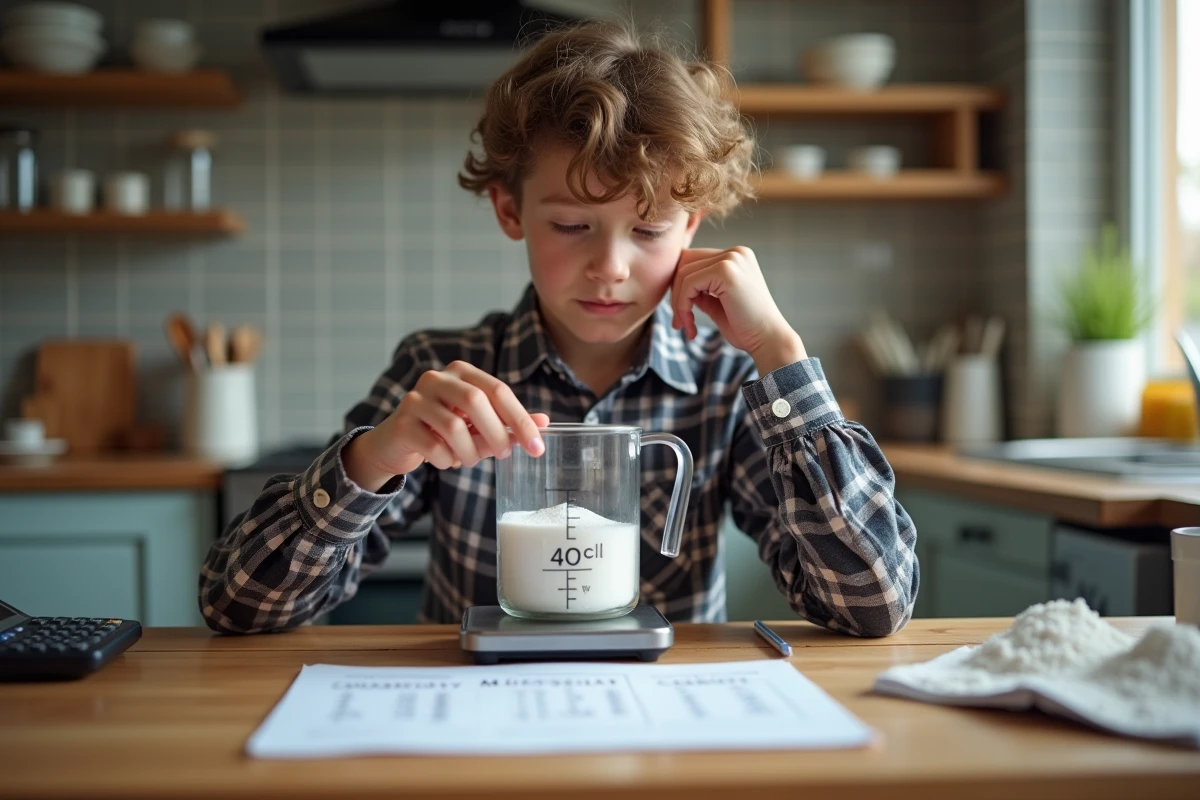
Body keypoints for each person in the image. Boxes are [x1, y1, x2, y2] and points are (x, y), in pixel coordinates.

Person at [199, 20, 918, 637]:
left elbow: (874, 604)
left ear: (693, 227)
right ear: (510, 212)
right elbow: (237, 605)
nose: (610, 267)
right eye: (572, 224)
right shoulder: (444, 368)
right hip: (479, 722)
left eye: (648, 229)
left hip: (662, 726)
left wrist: (781, 353)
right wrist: (374, 459)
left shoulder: (727, 381)